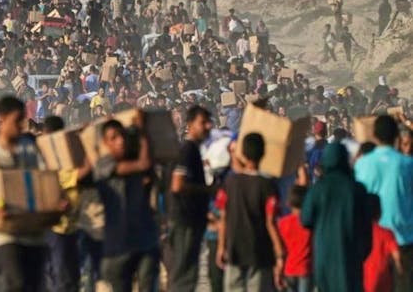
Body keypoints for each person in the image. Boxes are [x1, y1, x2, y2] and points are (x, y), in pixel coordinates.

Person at [0, 96, 49, 292]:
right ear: (3, 118)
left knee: (35, 284)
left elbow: (43, 178)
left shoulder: (30, 149)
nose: (21, 125)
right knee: (16, 282)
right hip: (5, 232)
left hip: (33, 228)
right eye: (17, 120)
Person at [94, 116, 159, 292]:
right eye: (113, 138)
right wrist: (142, 133)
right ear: (105, 143)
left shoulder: (135, 163)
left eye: (122, 135)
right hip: (118, 245)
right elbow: (144, 164)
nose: (120, 141)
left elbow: (149, 181)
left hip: (144, 239)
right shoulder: (103, 165)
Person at [216, 132, 285, 291]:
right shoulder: (267, 185)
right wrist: (280, 252)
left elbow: (223, 217)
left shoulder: (230, 183)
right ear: (263, 153)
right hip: (260, 252)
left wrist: (221, 246)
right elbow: (271, 222)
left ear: (244, 154)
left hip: (234, 250)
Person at [301, 141, 372, 292]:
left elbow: (305, 219)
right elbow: (367, 223)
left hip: (324, 252)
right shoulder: (357, 189)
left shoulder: (318, 189)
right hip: (352, 251)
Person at [355, 115, 413, 292]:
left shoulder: (362, 164)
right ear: (396, 135)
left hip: (373, 241)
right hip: (404, 238)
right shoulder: (407, 164)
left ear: (373, 135)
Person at [168, 106, 214, 291]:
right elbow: (178, 185)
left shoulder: (193, 149)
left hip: (191, 219)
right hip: (185, 220)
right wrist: (207, 190)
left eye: (208, 122)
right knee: (185, 274)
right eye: (202, 122)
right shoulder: (187, 150)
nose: (207, 126)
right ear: (190, 125)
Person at [42, 116, 89, 292]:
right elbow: (81, 173)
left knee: (70, 276)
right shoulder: (55, 158)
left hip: (71, 225)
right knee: (61, 277)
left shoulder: (61, 155)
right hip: (58, 227)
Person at [364, 194, 403, 292]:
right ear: (380, 212)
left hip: (363, 284)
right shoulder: (387, 234)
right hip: (384, 284)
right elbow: (397, 257)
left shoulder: (357, 233)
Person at [277, 186, 312, 292]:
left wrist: (278, 270)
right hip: (306, 268)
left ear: (289, 203)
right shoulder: (310, 223)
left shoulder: (282, 223)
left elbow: (281, 249)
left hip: (289, 268)